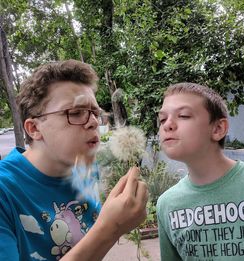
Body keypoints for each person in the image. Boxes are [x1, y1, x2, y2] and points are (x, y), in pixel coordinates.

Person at [0, 59, 148, 261]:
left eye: (95, 113)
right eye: (76, 113)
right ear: (34, 129)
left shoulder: (86, 170)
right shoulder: (5, 192)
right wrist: (111, 228)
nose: (94, 122)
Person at [157, 82, 244, 260]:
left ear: (218, 129)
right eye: (162, 119)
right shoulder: (166, 204)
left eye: (183, 115)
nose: (167, 125)